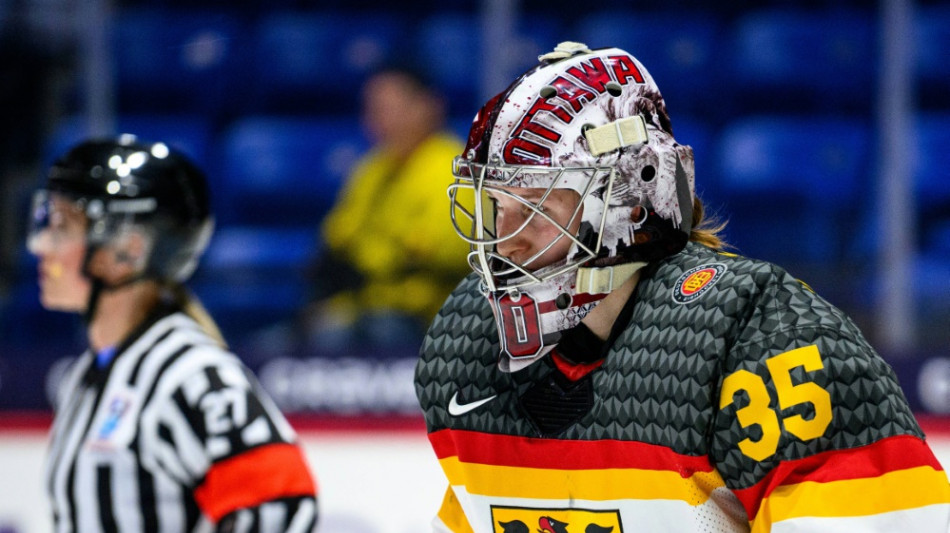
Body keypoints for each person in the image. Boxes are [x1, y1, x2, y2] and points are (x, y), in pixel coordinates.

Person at [414, 42, 950, 532]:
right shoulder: (468, 346)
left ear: (630, 198)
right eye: (495, 206)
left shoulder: (767, 342)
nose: (504, 244)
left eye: (535, 207)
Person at [29, 136, 318, 532]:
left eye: (63, 227)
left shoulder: (192, 375)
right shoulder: (85, 375)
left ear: (127, 250)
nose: (42, 244)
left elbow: (283, 509)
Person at [302, 65, 470, 352]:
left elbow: (443, 250)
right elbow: (337, 238)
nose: (379, 122)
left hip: (428, 316)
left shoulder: (456, 168)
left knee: (364, 333)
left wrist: (371, 257)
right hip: (362, 307)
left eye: (390, 109)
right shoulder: (371, 170)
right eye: (372, 111)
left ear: (429, 107)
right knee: (289, 338)